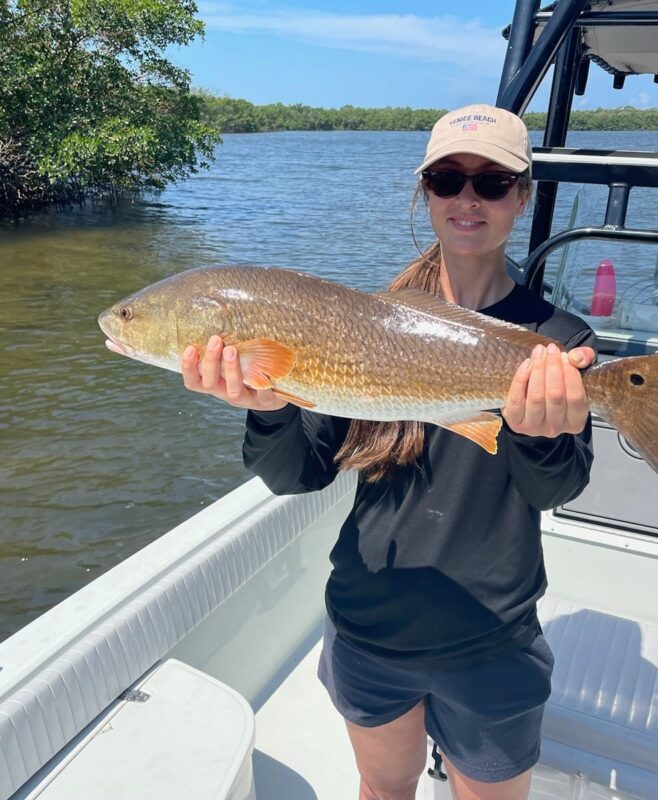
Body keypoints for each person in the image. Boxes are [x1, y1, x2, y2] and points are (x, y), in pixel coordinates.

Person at [181, 103, 596, 800]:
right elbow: (296, 476)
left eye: (492, 182)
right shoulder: (362, 322)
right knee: (381, 790)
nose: (468, 197)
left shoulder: (554, 338)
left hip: (491, 635)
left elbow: (557, 489)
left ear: (522, 198)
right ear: (425, 193)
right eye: (446, 179)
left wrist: (535, 427)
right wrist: (269, 410)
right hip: (371, 620)